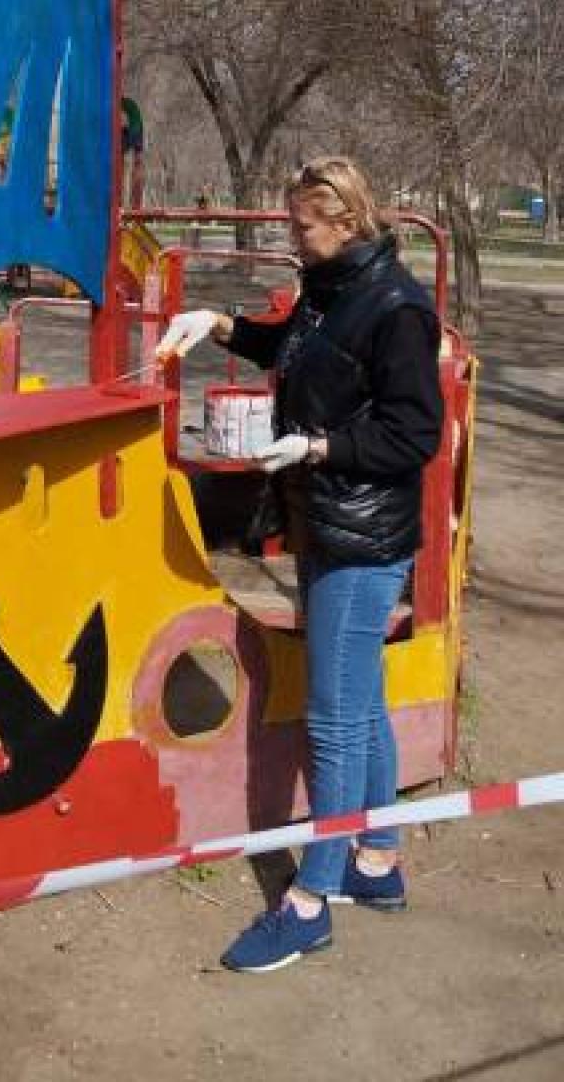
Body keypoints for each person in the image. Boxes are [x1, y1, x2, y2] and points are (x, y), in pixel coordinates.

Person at [156, 156, 443, 974]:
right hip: (325, 521)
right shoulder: (329, 288)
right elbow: (286, 345)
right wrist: (217, 323)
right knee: (363, 700)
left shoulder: (396, 308)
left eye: (301, 224)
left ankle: (310, 901)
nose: (291, 234)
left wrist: (319, 446)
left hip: (361, 539)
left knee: (333, 718)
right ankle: (376, 858)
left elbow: (414, 432)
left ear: (345, 222)